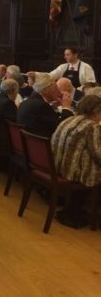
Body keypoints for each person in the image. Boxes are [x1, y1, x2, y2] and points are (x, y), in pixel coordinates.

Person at [51, 95, 101, 226]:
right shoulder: (92, 126)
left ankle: (76, 210)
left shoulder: (70, 119)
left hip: (58, 165)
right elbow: (98, 153)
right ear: (96, 112)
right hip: (73, 171)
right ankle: (77, 213)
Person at [17, 73, 73, 138]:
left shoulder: (28, 102)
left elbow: (49, 120)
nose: (58, 91)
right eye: (55, 87)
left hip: (31, 143)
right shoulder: (41, 106)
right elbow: (61, 128)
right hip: (43, 145)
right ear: (45, 90)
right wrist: (66, 107)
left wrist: (52, 107)